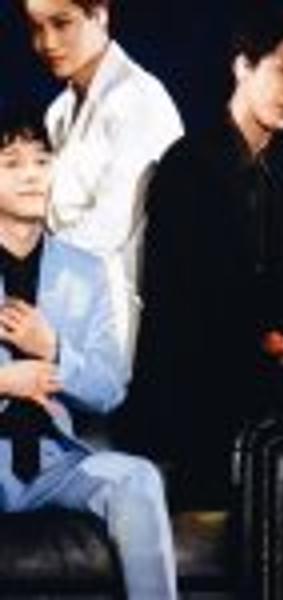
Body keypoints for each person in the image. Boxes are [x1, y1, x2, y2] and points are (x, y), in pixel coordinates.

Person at [129, 8, 283, 503]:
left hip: (253, 375)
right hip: (194, 388)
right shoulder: (188, 166)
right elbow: (188, 305)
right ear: (243, 66)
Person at [0, 105, 178, 600]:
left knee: (138, 479)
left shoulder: (87, 270)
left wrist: (54, 348)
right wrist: (6, 381)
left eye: (42, 160)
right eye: (11, 163)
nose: (31, 175)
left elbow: (109, 387)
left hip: (58, 461)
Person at [17, 0, 184, 361]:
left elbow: (107, 231)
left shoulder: (139, 101)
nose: (47, 43)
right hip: (58, 314)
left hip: (115, 328)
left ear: (100, 14)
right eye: (36, 28)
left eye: (62, 23)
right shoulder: (59, 110)